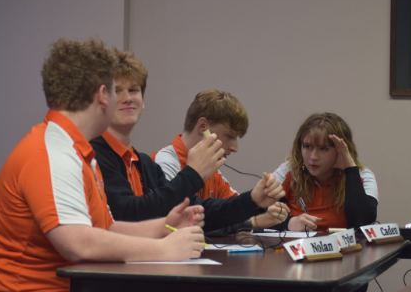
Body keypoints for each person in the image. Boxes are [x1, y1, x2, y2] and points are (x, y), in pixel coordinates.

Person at [0, 39, 205, 292]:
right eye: (116, 91)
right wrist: (165, 250)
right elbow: (78, 243)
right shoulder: (52, 152)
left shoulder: (74, 149)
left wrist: (165, 225)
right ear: (104, 95)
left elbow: (104, 230)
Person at [90, 51, 286, 233]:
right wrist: (193, 174)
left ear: (143, 101)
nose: (127, 98)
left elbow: (195, 211)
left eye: (134, 90)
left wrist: (252, 200)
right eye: (117, 91)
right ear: (103, 99)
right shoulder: (93, 155)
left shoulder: (145, 165)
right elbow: (128, 215)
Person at [152, 90, 290, 233]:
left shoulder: (212, 170)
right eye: (229, 136)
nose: (235, 148)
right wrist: (251, 222)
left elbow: (232, 210)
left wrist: (259, 208)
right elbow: (176, 224)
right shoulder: (162, 164)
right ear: (203, 127)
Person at [275, 112, 378, 232]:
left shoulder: (362, 175)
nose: (313, 157)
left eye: (323, 148)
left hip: (346, 249)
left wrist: (350, 169)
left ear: (341, 150)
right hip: (298, 248)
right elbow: (257, 216)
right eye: (307, 146)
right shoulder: (288, 170)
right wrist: (289, 223)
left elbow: (363, 223)